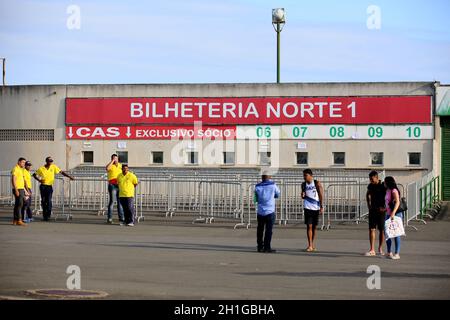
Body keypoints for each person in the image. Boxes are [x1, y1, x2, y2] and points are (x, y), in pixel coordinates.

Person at [33, 156, 75, 221]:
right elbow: (34, 175)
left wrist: (69, 177)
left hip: (49, 186)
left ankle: (48, 214)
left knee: (49, 201)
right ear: (46, 161)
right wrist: (39, 180)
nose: (50, 162)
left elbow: (62, 172)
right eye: (49, 161)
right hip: (43, 186)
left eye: (51, 161)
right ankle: (45, 216)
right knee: (43, 201)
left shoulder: (53, 167)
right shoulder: (41, 168)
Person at [254, 172, 280, 253]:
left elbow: (255, 198)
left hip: (260, 211)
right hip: (270, 210)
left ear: (262, 177)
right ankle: (267, 247)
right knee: (269, 230)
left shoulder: (257, 186)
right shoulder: (273, 185)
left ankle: (259, 246)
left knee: (260, 229)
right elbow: (277, 194)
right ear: (269, 177)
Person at [301, 169, 324, 252]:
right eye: (303, 175)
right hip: (307, 207)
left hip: (316, 207)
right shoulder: (303, 184)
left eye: (305, 175)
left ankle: (312, 244)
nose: (304, 177)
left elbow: (321, 194)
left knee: (314, 227)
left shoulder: (317, 183)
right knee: (309, 226)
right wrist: (302, 195)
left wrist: (321, 206)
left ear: (311, 175)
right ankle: (309, 245)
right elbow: (303, 195)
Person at [365, 171, 386, 256]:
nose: (371, 181)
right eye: (370, 179)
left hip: (381, 210)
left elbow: (388, 196)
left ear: (377, 177)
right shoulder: (370, 186)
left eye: (372, 179)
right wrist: (368, 205)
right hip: (373, 210)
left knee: (381, 230)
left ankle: (380, 248)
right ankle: (372, 249)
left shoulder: (383, 185)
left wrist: (385, 207)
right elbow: (367, 194)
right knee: (371, 229)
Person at [384, 176, 403, 260]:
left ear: (388, 182)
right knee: (387, 233)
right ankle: (389, 252)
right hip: (388, 213)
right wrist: (385, 209)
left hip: (395, 214)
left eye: (385, 182)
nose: (384, 183)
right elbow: (388, 201)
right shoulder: (387, 190)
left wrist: (393, 213)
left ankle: (397, 253)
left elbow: (397, 202)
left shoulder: (394, 190)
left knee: (396, 233)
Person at [105, 154, 124, 224]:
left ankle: (121, 218)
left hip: (119, 185)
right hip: (112, 185)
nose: (115, 160)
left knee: (120, 202)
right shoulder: (110, 165)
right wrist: (112, 161)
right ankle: (109, 218)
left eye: (116, 158)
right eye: (113, 158)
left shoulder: (120, 165)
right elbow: (107, 169)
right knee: (112, 201)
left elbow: (124, 172)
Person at [11, 157, 27, 226]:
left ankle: (15, 220)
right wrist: (16, 190)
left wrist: (25, 190)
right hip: (17, 189)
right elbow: (13, 180)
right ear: (19, 162)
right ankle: (19, 220)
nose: (24, 164)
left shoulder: (21, 169)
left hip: (21, 188)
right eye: (23, 162)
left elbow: (22, 180)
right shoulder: (15, 168)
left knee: (18, 204)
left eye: (24, 162)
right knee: (20, 204)